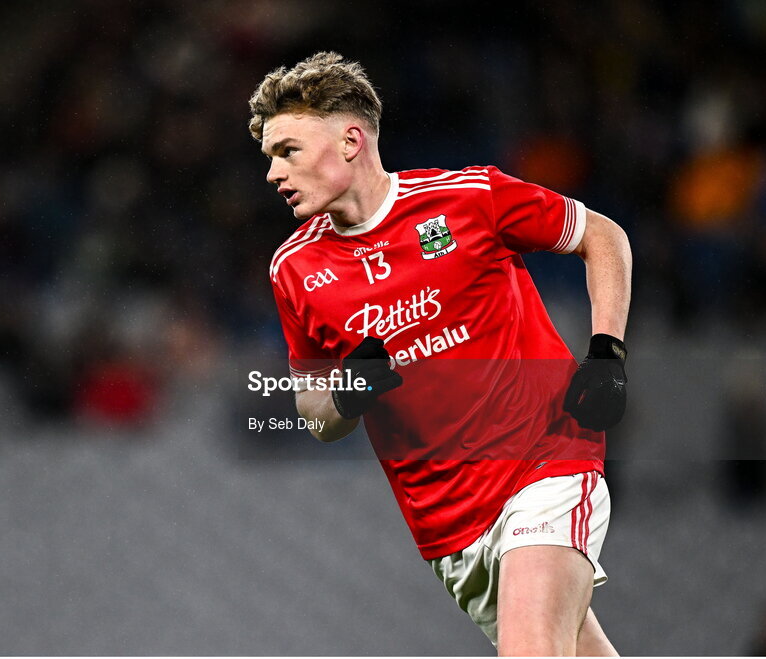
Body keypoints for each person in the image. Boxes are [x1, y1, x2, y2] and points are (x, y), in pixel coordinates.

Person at [249, 52, 631, 656]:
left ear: (350, 140)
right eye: (269, 156)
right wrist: (346, 394)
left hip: (545, 463)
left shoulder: (468, 198)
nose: (272, 172)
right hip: (446, 529)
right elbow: (313, 413)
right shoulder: (294, 269)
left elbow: (603, 237)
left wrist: (607, 352)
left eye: (287, 151)